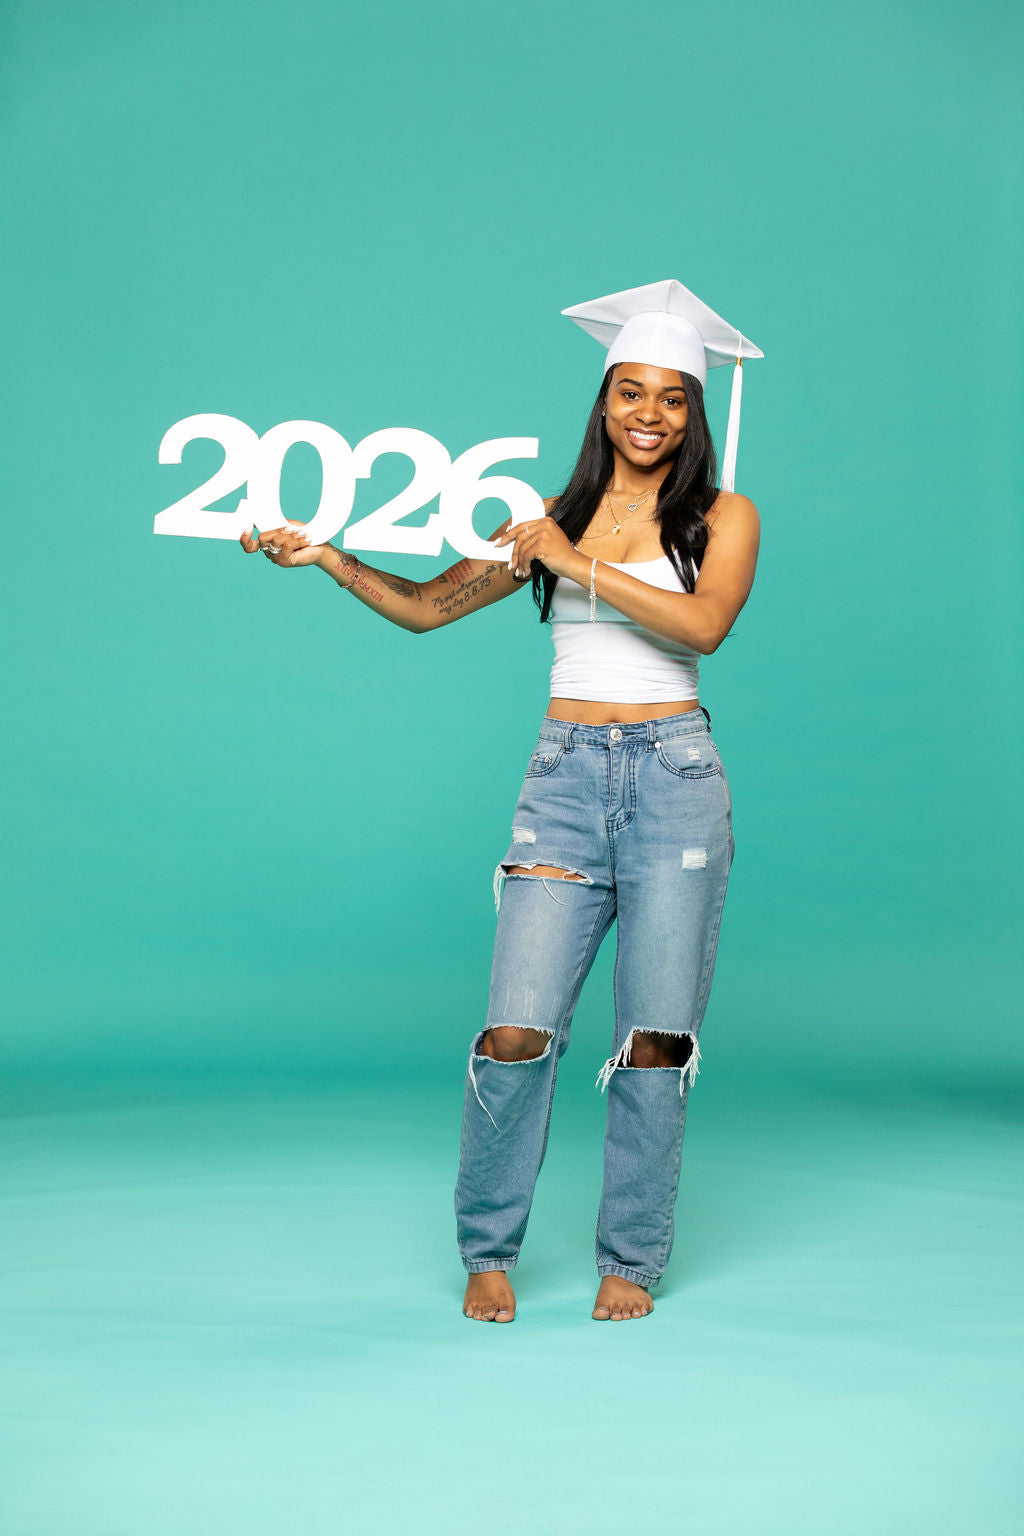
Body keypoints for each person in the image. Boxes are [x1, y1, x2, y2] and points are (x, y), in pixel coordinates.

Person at [239, 279, 762, 1325]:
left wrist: (576, 565)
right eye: (630, 392)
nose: (649, 414)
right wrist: (327, 558)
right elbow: (428, 608)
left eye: (671, 398)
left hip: (674, 781)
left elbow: (705, 625)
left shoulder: (721, 515)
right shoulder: (548, 521)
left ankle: (632, 1254)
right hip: (563, 779)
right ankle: (487, 1244)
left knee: (654, 1041)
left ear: (693, 413)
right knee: (515, 1033)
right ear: (603, 402)